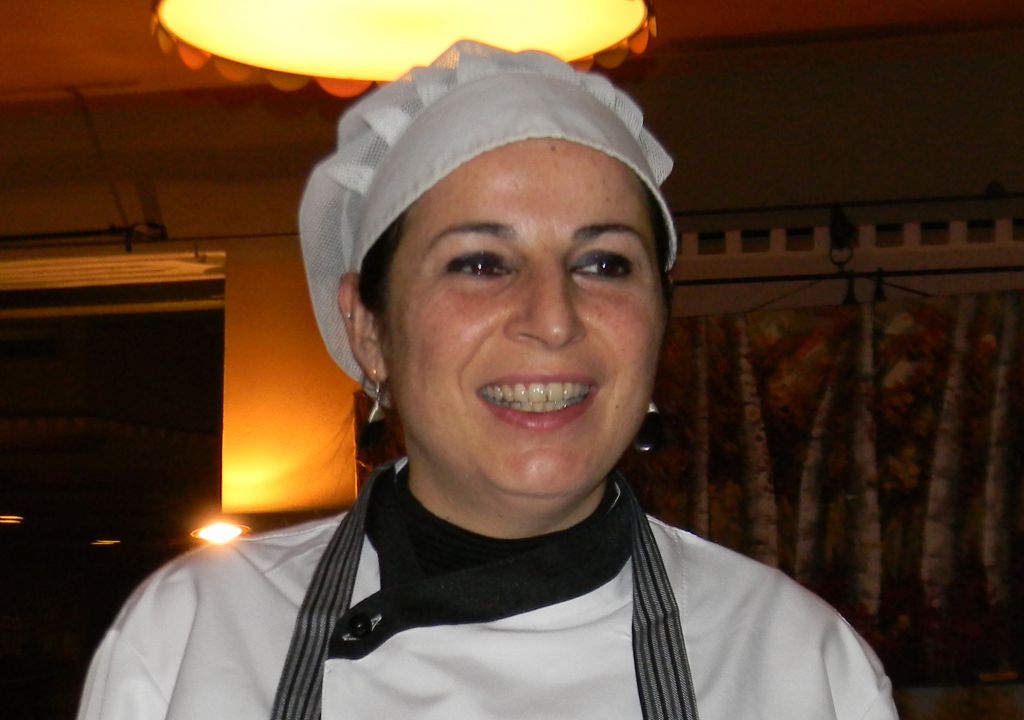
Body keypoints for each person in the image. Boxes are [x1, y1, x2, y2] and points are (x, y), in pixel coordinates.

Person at [77, 41, 898, 720]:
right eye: (479, 263)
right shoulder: (196, 634)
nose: (553, 318)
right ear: (369, 329)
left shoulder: (797, 661)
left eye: (605, 264)